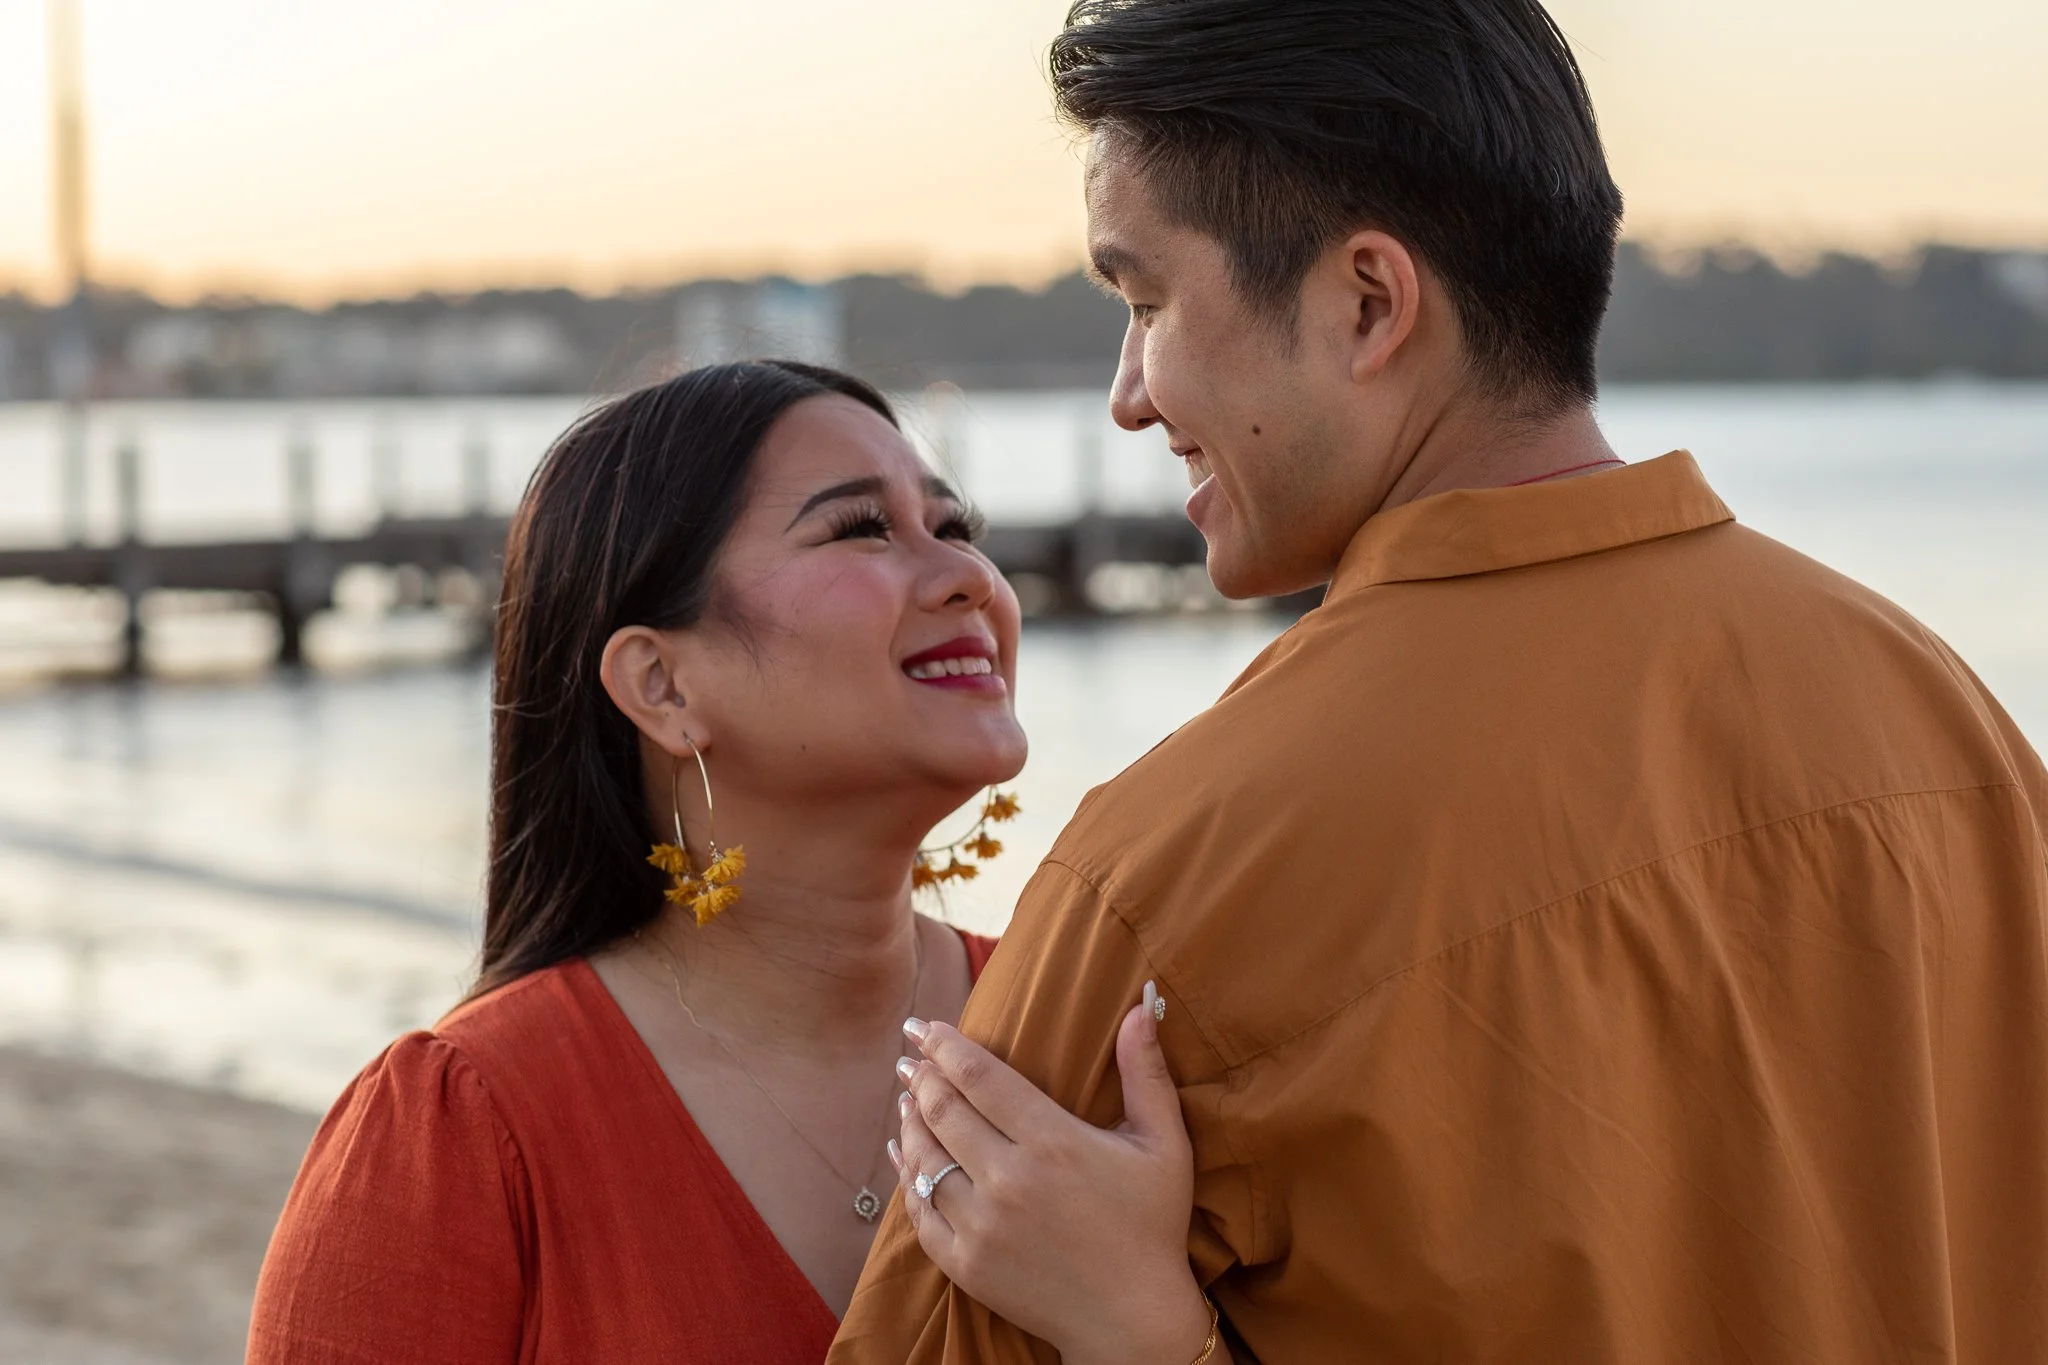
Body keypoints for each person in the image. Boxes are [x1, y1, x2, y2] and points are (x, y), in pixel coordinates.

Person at [833, 2, 2048, 1362]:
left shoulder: (1181, 870)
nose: (1128, 392)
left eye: (1148, 300)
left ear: (1367, 302)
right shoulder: (1959, 734)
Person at [246, 361, 1140, 1362]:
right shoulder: (460, 1139)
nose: (972, 576)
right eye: (859, 529)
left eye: (952, 528)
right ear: (662, 685)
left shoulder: (1085, 1044)